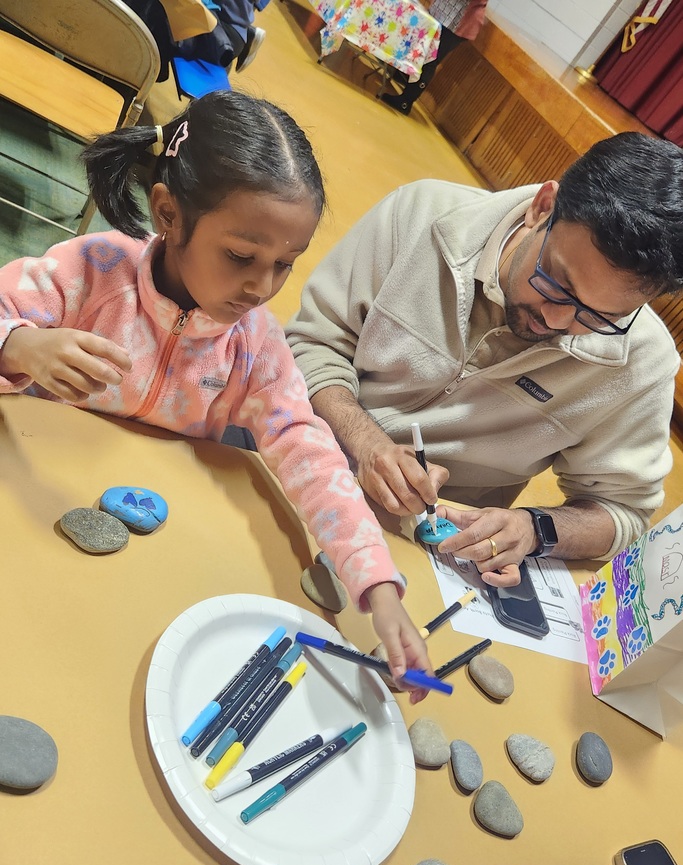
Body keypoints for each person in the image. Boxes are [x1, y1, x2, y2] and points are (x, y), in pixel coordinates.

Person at [0, 91, 431, 700]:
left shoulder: (255, 345)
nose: (262, 286)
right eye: (241, 257)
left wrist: (378, 587)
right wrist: (18, 346)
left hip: (145, 556)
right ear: (168, 213)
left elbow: (309, 452)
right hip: (35, 501)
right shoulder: (90, 270)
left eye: (286, 264)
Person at [286, 132, 683, 587]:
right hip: (297, 453)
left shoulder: (642, 363)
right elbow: (312, 343)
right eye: (555, 280)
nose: (555, 318)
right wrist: (365, 442)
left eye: (599, 316)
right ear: (543, 207)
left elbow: (624, 510)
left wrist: (535, 529)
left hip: (426, 555)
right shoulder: (422, 216)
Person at [381, 0, 488, 116]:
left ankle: (405, 102)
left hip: (456, 21)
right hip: (445, 15)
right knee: (422, 51)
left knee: (430, 59)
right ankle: (403, 78)